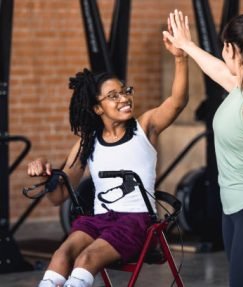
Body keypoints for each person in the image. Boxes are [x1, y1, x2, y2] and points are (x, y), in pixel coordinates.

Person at [27, 11, 189, 287]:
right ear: (97, 107)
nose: (125, 98)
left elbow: (177, 101)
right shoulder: (87, 141)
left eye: (125, 91)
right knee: (62, 254)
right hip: (98, 220)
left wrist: (180, 56)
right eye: (113, 96)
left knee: (86, 259)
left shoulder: (144, 127)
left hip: (137, 222)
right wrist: (45, 175)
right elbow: (58, 196)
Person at [163, 9, 243, 287]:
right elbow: (217, 69)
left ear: (230, 48)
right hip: (232, 210)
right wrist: (186, 46)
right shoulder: (241, 88)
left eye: (224, 47)